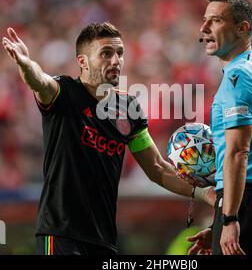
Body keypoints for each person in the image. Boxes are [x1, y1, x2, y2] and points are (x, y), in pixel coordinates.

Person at [2, 22, 215, 255]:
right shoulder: (63, 92)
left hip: (104, 239)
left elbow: (157, 168)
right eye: (106, 53)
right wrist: (25, 64)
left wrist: (204, 192)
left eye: (119, 53)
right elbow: (39, 81)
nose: (116, 61)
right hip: (60, 234)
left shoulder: (128, 108)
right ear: (82, 61)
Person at [188, 0, 252, 255]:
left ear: (242, 28)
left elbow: (238, 152)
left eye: (216, 20)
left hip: (246, 203)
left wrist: (231, 219)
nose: (204, 28)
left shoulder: (239, 75)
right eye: (204, 20)